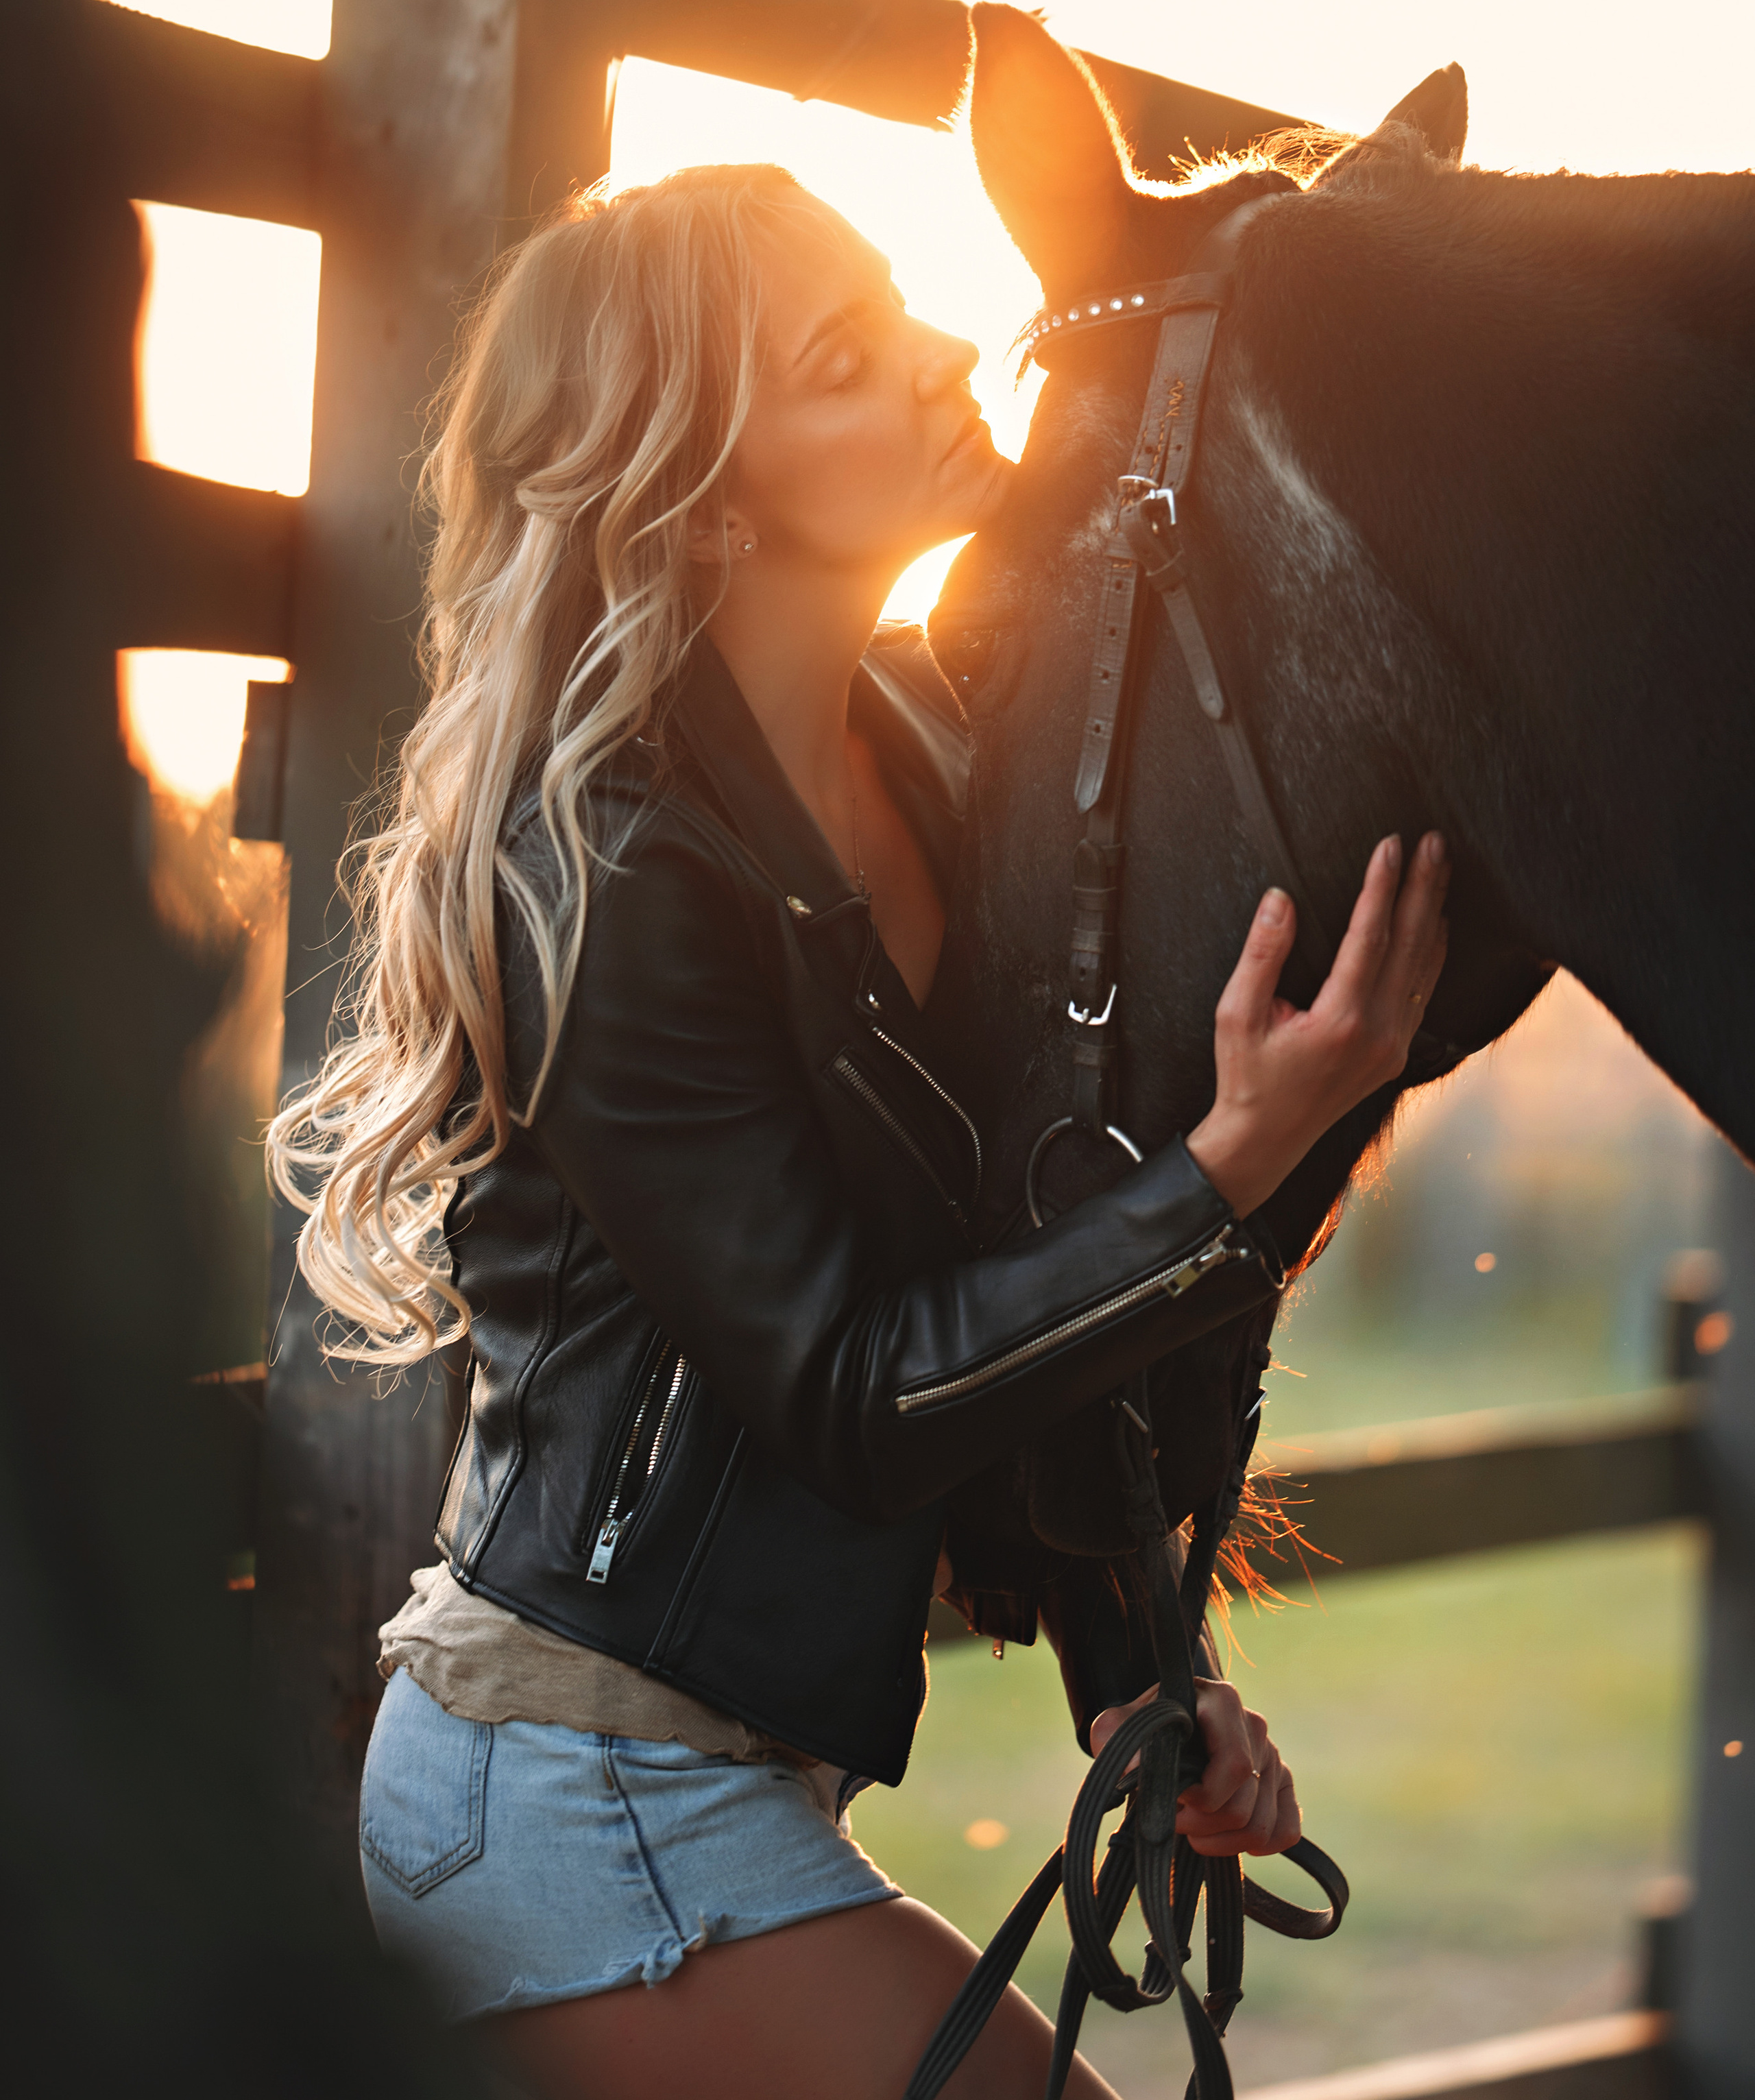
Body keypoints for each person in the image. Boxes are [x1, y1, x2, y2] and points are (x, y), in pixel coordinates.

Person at [271, 163, 1449, 2100]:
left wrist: (1137, 1673)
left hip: (703, 1779)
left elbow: (988, 1262)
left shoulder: (931, 754)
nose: (933, 356)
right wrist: (1226, 1171)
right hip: (574, 1792)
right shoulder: (617, 863)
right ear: (709, 486)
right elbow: (852, 1383)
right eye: (842, 361)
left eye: (898, 306)